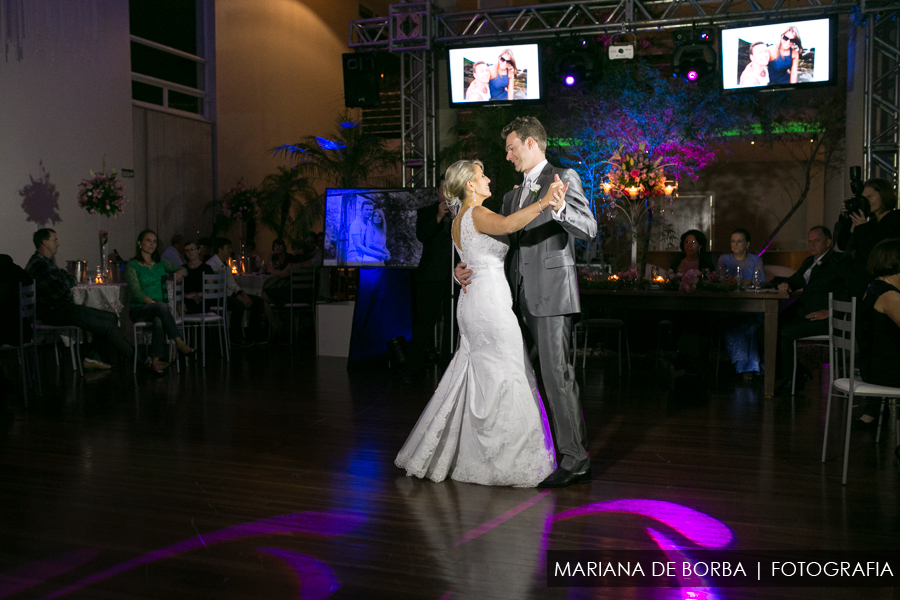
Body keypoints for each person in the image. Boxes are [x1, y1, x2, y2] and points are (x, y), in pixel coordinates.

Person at [396, 159, 567, 487]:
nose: (489, 178)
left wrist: (460, 271)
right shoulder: (475, 213)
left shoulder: (459, 219)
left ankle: (477, 454)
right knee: (508, 372)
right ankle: (509, 461)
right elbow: (508, 226)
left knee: (482, 376)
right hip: (488, 305)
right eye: (482, 175)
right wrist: (545, 201)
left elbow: (469, 257)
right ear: (470, 186)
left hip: (474, 301)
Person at [455, 116, 598, 488]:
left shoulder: (563, 178)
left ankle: (575, 459)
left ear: (531, 144)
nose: (507, 156)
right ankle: (527, 452)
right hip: (509, 300)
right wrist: (463, 266)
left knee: (556, 375)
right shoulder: (510, 195)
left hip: (551, 294)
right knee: (522, 377)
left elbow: (589, 229)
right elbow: (495, 243)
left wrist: (558, 206)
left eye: (511, 147)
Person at [25, 229, 134, 371]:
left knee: (111, 317)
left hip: (64, 308)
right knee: (107, 327)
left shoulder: (47, 263)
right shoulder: (38, 265)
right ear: (45, 242)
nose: (58, 244)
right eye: (54, 240)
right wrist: (66, 282)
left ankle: (92, 357)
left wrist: (65, 281)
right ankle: (139, 360)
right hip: (52, 312)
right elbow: (57, 291)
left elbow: (70, 278)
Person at [774, 226, 852, 393]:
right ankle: (798, 373)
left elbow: (848, 290)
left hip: (822, 317)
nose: (812, 244)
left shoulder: (838, 261)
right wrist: (785, 284)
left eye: (816, 240)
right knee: (767, 328)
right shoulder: (809, 261)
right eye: (809, 241)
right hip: (803, 311)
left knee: (784, 332)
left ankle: (791, 381)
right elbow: (797, 280)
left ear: (829, 242)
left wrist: (831, 312)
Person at [403, 181, 454, 382]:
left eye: (449, 188)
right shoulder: (426, 212)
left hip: (455, 277)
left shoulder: (461, 211)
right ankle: (411, 369)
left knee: (453, 324)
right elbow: (422, 235)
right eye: (442, 188)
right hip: (430, 277)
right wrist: (439, 216)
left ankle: (447, 371)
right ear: (437, 192)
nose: (445, 192)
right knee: (424, 324)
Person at [125, 229, 193, 373]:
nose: (152, 244)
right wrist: (154, 304)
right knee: (161, 307)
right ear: (139, 243)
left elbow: (184, 269)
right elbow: (137, 293)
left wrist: (180, 273)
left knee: (159, 319)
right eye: (148, 240)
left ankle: (155, 362)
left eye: (154, 241)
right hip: (140, 309)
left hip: (158, 310)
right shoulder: (132, 265)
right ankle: (179, 342)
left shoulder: (160, 263)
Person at [854, 239, 900, 426]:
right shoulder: (889, 296)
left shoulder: (874, 287)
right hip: (886, 370)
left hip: (872, 366)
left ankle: (874, 414)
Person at [834, 178, 900, 301]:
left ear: (884, 195)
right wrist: (846, 219)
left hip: (882, 286)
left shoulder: (895, 220)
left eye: (870, 196)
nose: (867, 201)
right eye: (864, 198)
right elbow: (844, 244)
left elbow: (876, 252)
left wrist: (862, 228)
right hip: (863, 284)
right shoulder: (871, 223)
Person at [717, 228, 766, 378]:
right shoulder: (724, 259)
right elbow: (719, 280)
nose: (735, 244)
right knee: (735, 324)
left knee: (750, 324)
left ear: (747, 244)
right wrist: (728, 283)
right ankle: (745, 367)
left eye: (739, 241)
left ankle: (752, 367)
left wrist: (743, 282)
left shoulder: (755, 260)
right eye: (733, 241)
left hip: (752, 306)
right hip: (730, 306)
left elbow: (761, 281)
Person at [207, 237, 266, 346]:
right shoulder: (211, 265)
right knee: (239, 305)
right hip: (216, 296)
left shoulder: (225, 264)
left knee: (257, 301)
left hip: (227, 293)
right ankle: (235, 336)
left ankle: (254, 334)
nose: (230, 250)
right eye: (228, 248)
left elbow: (232, 283)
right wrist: (238, 297)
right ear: (220, 250)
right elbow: (220, 288)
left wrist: (242, 293)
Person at [181, 240, 214, 314]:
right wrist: (187, 296)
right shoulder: (183, 269)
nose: (190, 252)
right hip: (186, 299)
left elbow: (211, 291)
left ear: (198, 250)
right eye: (187, 250)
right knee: (179, 304)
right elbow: (178, 288)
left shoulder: (206, 268)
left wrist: (194, 294)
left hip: (202, 299)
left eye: (192, 249)